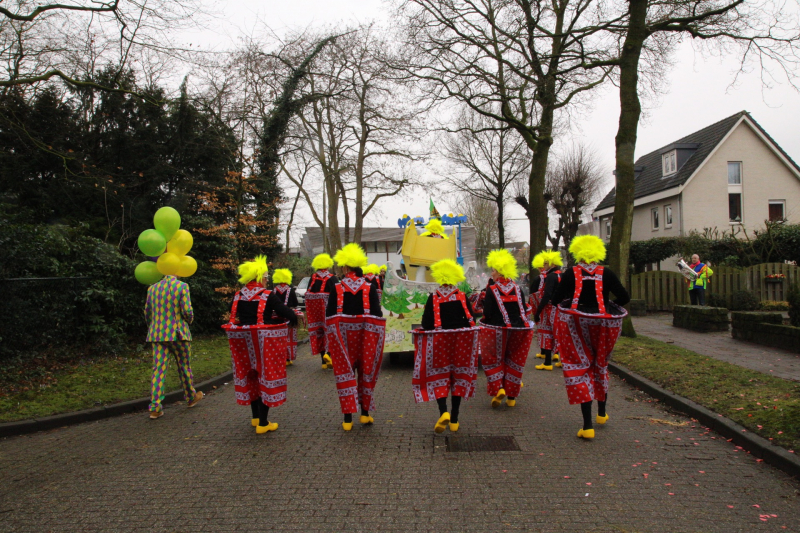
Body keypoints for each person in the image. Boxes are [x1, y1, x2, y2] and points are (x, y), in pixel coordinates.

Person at [552, 235, 630, 440]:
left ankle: (587, 426)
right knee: (600, 364)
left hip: (576, 324)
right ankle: (602, 414)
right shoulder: (607, 273)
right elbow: (625, 297)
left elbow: (555, 299)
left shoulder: (571, 273)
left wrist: (571, 301)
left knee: (580, 367)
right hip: (603, 325)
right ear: (597, 254)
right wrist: (607, 305)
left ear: (578, 254)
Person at [222, 256, 299, 433]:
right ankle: (263, 423)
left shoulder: (238, 295)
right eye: (265, 277)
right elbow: (287, 312)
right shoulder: (267, 295)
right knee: (265, 376)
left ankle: (255, 418)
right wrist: (292, 317)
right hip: (264, 343)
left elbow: (231, 311)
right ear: (259, 277)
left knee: (251, 377)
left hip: (242, 343)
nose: (266, 280)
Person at [412, 259, 479, 433]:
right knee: (458, 377)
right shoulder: (462, 296)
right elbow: (471, 320)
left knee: (439, 377)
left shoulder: (433, 297)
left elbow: (426, 323)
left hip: (439, 344)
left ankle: (444, 412)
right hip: (461, 345)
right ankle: (455, 419)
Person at [325, 243, 386, 431]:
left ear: (345, 267)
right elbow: (377, 314)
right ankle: (365, 414)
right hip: (366, 338)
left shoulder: (336, 288)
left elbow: (329, 315)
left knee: (345, 373)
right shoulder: (369, 287)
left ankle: (347, 419)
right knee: (366, 372)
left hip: (342, 340)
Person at [479, 249, 535, 408]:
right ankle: (512, 398)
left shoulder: (492, 289)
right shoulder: (517, 288)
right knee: (514, 360)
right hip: (519, 329)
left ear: (499, 271)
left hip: (497, 329)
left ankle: (499, 389)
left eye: (493, 270)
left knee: (494, 359)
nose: (491, 273)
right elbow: (523, 308)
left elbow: (487, 312)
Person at [145, 273, 204, 419]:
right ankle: (190, 397)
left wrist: (154, 326)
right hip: (178, 334)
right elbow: (187, 310)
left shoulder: (152, 288)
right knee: (184, 366)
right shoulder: (182, 286)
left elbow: (147, 312)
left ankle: (155, 407)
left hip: (157, 335)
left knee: (158, 369)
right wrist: (189, 320)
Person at [531, 250, 563, 371]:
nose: (543, 266)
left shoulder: (550, 277)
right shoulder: (562, 275)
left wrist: (538, 311)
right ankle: (562, 360)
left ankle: (548, 362)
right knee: (561, 334)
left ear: (552, 264)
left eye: (545, 263)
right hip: (562, 309)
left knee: (547, 333)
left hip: (550, 308)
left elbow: (547, 294)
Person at [305, 253, 338, 369]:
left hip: (314, 312)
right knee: (330, 332)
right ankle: (328, 354)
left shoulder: (313, 277)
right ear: (328, 265)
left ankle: (323, 362)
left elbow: (308, 292)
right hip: (328, 310)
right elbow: (338, 293)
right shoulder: (332, 278)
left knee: (319, 333)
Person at [271, 268, 302, 366]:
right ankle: (288, 358)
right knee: (289, 338)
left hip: (276, 318)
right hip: (288, 316)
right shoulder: (290, 290)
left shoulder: (274, 290)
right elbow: (295, 303)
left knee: (278, 338)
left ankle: (280, 357)